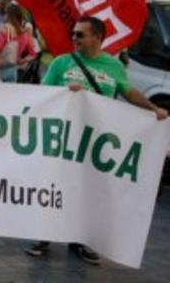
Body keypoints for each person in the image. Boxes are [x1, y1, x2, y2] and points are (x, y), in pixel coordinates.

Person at [25, 16, 168, 265]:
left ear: (98, 38)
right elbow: (43, 95)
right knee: (54, 187)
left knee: (86, 191)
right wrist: (64, 92)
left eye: (80, 34)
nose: (74, 38)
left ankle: (79, 241)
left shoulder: (113, 66)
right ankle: (44, 236)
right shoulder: (62, 63)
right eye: (74, 33)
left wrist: (152, 108)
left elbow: (127, 91)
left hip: (94, 144)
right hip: (62, 142)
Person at [0, 3, 37, 83]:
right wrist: (22, 60)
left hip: (0, 69)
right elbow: (33, 54)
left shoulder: (5, 29)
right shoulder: (24, 33)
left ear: (8, 15)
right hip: (13, 70)